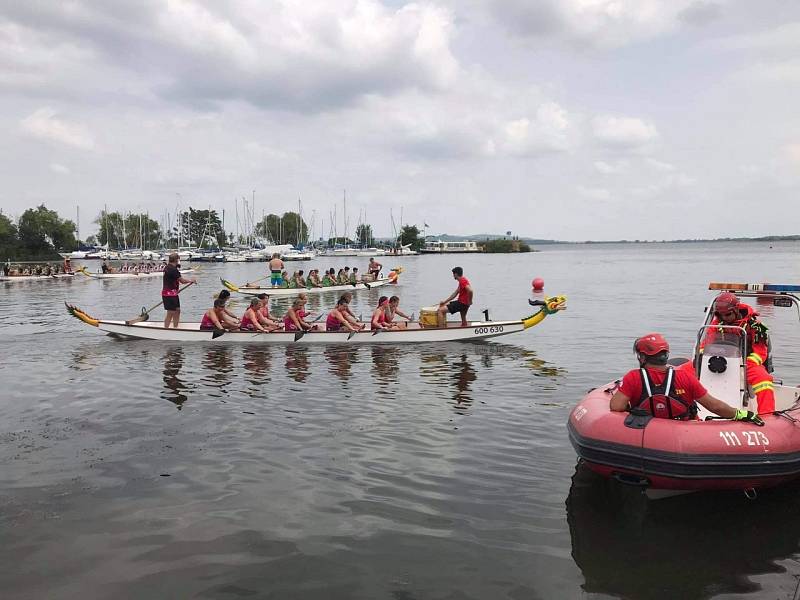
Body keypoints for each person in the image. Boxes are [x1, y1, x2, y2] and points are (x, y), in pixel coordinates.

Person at [610, 333, 764, 424]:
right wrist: (742, 414)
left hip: (645, 433)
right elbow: (715, 406)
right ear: (666, 356)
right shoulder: (685, 377)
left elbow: (616, 407)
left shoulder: (633, 377)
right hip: (685, 429)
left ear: (642, 357)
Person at [702, 291, 775, 414]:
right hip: (718, 361)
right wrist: (701, 357)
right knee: (687, 371)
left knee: (764, 381)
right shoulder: (716, 323)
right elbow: (705, 344)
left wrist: (749, 363)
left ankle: (767, 415)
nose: (724, 318)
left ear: (736, 310)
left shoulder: (757, 326)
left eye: (727, 314)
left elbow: (760, 352)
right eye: (720, 315)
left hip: (746, 363)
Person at [162, 253, 196, 328]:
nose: (179, 261)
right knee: (170, 312)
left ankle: (175, 327)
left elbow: (172, 280)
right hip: (169, 294)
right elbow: (182, 281)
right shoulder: (172, 269)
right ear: (176, 260)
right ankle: (166, 329)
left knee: (177, 310)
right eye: (178, 259)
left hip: (173, 293)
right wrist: (191, 280)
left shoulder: (168, 267)